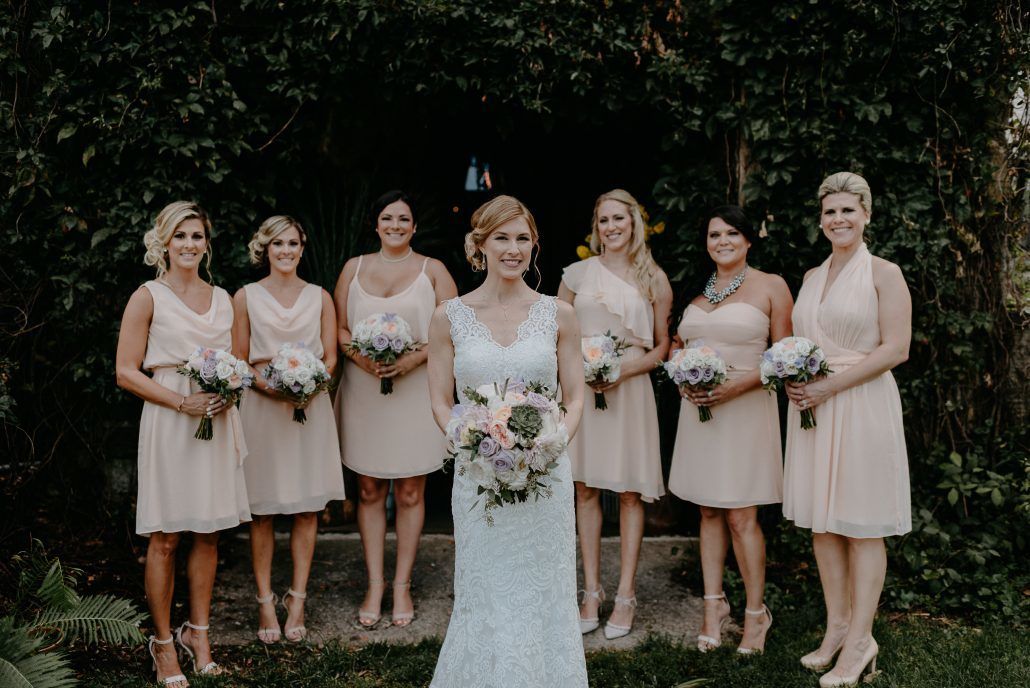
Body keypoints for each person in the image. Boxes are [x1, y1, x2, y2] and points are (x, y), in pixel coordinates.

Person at [427, 195, 588, 686]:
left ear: (534, 246)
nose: (513, 249)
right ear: (480, 245)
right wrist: (470, 441)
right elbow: (439, 399)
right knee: (485, 582)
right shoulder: (447, 316)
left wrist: (547, 447)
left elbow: (575, 397)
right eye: (502, 238)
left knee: (544, 584)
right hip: (478, 475)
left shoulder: (559, 314)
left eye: (522, 238)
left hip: (546, 474)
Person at [783, 172, 911, 687]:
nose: (839, 219)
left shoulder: (885, 272)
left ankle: (861, 641)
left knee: (860, 523)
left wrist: (827, 388)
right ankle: (837, 628)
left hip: (860, 403)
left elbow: (895, 349)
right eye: (830, 211)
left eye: (848, 211)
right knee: (824, 522)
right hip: (814, 407)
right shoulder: (813, 276)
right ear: (821, 220)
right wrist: (796, 377)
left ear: (866, 216)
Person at [115, 201, 249, 686]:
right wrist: (180, 402)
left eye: (197, 236)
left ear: (206, 243)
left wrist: (228, 389)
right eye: (181, 236)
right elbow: (126, 371)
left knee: (209, 532)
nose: (190, 244)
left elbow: (236, 359)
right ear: (164, 243)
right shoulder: (148, 296)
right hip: (171, 422)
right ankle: (164, 642)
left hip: (214, 419)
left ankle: (200, 632)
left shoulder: (222, 297)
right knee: (167, 536)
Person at [668, 205, 794, 653]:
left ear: (748, 240)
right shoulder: (695, 291)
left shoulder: (771, 286)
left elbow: (785, 357)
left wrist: (736, 385)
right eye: (714, 234)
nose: (722, 241)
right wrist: (682, 371)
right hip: (700, 412)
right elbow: (677, 343)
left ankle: (757, 614)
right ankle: (712, 605)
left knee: (742, 515)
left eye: (732, 234)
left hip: (745, 410)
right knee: (706, 510)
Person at [333, 190, 457, 627]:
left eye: (404, 219)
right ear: (376, 224)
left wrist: (410, 359)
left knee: (409, 492)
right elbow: (341, 328)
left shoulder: (434, 271)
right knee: (368, 490)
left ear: (414, 226)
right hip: (365, 390)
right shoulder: (354, 268)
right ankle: (374, 583)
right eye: (388, 218)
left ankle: (402, 584)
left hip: (416, 390)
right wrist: (363, 359)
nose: (396, 225)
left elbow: (450, 331)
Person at [557, 189, 672, 640]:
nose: (612, 228)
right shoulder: (576, 274)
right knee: (584, 489)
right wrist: (580, 370)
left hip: (631, 389)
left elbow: (663, 346)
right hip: (583, 389)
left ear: (634, 224)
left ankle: (626, 594)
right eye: (604, 220)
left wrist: (623, 370)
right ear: (596, 226)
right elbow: (557, 333)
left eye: (619, 219)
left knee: (627, 493)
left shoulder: (654, 279)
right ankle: (591, 591)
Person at [234, 215, 345, 644]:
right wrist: (272, 388)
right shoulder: (244, 297)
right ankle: (265, 600)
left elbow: (332, 357)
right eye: (277, 243)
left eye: (293, 243)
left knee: (306, 507)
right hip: (262, 408)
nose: (286, 251)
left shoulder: (320, 297)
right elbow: (239, 358)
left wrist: (310, 385)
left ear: (302, 248)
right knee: (261, 511)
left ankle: (297, 598)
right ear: (265, 248)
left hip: (309, 408)